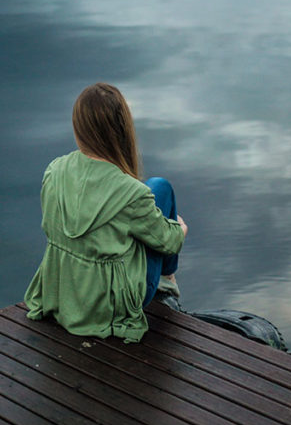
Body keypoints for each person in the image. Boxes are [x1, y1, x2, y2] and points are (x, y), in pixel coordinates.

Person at [24, 83, 188, 343]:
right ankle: (167, 282)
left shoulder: (54, 171)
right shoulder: (132, 193)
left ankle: (165, 280)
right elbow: (171, 242)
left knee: (150, 196)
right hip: (109, 307)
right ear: (121, 130)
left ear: (79, 129)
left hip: (65, 293)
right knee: (160, 187)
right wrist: (179, 228)